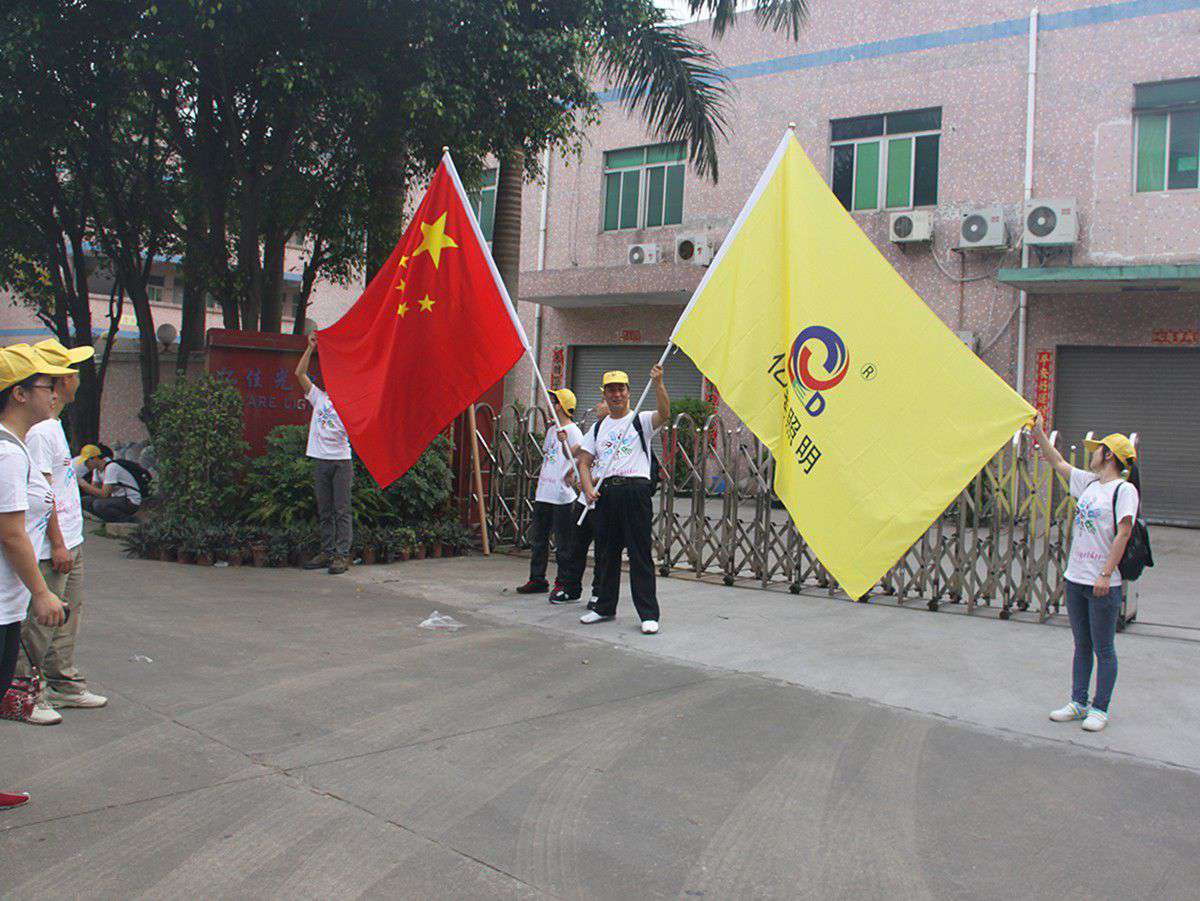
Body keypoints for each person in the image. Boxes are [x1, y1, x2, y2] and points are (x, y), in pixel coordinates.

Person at [13, 340, 108, 726]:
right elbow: (42, 493)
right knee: (42, 621)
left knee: (67, 616)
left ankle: (63, 683)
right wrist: (56, 542)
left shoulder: (52, 426)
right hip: (54, 544)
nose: (76, 378)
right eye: (71, 372)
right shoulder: (38, 432)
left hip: (70, 537)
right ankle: (24, 693)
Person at [1030, 414, 1139, 733]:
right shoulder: (1090, 483)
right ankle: (1078, 702)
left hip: (1102, 582)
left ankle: (1099, 708)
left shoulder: (1124, 491)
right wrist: (1039, 432)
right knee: (1082, 645)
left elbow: (1124, 533)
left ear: (1109, 456)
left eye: (1097, 450)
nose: (1092, 454)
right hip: (1075, 578)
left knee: (1104, 648)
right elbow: (1058, 462)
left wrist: (1105, 574)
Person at [0, 344, 69, 810]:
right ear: (19, 394)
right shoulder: (7, 453)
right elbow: (10, 532)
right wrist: (41, 592)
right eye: (47, 385)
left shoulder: (15, 446)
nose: (55, 393)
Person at [577, 365, 669, 635]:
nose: (616, 394)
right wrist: (587, 489)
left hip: (635, 492)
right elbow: (584, 462)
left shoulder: (641, 420)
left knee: (639, 554)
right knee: (606, 553)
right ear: (604, 394)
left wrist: (659, 384)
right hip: (607, 494)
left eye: (620, 389)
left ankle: (648, 614)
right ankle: (604, 607)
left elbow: (665, 413)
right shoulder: (598, 428)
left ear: (629, 392)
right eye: (611, 390)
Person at [515, 390, 583, 601]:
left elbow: (580, 456)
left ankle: (562, 582)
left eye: (554, 402)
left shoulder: (573, 431)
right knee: (539, 539)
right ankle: (537, 579)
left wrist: (572, 472)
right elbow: (548, 455)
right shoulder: (553, 430)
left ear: (561, 406)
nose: (551, 405)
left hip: (561, 495)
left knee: (563, 543)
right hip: (544, 492)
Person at [294, 332, 352, 575]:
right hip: (321, 460)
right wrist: (310, 348)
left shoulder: (349, 403)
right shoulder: (319, 398)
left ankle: (342, 555)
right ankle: (327, 552)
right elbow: (299, 374)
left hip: (341, 461)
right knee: (325, 510)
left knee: (341, 510)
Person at [78, 443, 143, 522]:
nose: (85, 465)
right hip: (116, 498)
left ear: (95, 459)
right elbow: (94, 491)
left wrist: (84, 484)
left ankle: (128, 520)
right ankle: (107, 519)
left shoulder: (111, 467)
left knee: (98, 504)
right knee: (84, 501)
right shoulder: (96, 470)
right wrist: (84, 486)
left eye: (86, 462)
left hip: (130, 501)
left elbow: (104, 494)